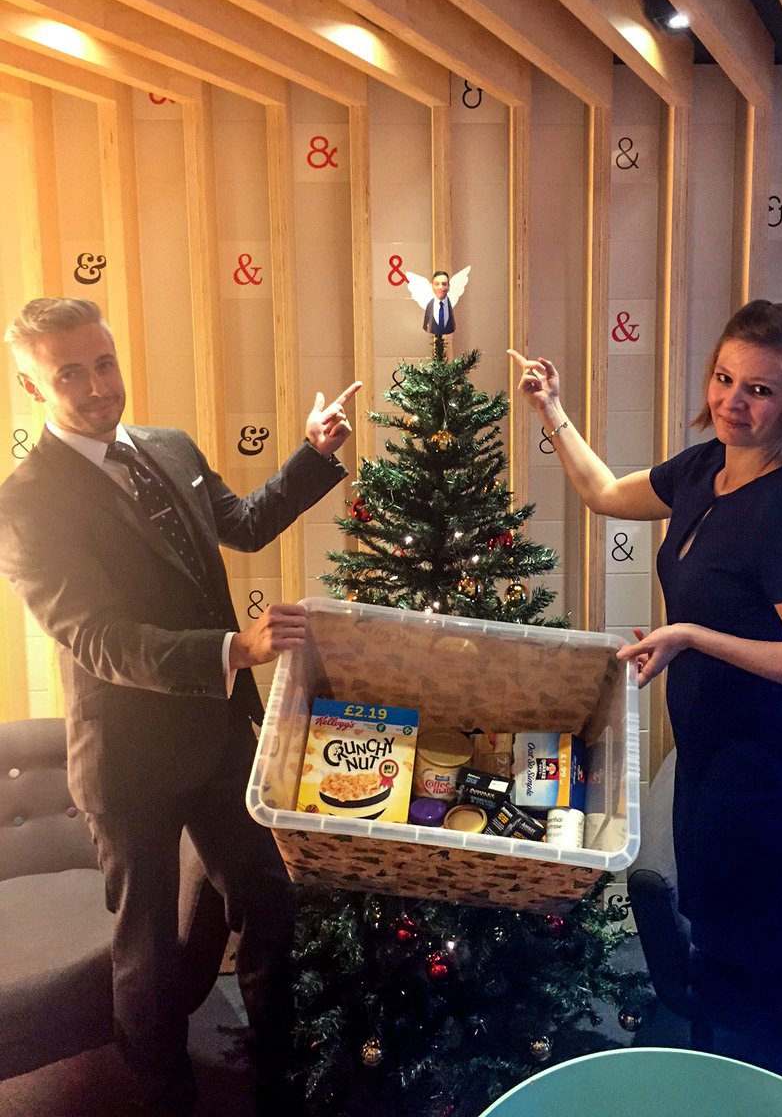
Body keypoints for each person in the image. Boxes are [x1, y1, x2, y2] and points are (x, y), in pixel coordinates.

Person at [0, 297, 362, 1117]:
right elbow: (99, 638)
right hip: (128, 762)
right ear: (32, 385)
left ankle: (277, 1078)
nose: (97, 386)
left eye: (104, 362)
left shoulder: (166, 447)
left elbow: (241, 524)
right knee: (149, 955)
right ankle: (165, 1098)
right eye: (69, 373)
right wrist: (236, 650)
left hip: (218, 735)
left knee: (270, 898)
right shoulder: (25, 504)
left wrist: (313, 455)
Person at [510, 300, 782, 1093]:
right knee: (716, 956)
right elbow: (603, 493)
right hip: (706, 760)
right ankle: (727, 1088)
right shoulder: (705, 470)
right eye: (725, 378)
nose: (735, 401)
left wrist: (693, 635)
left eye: (761, 390)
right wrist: (551, 409)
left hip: (766, 778)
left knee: (773, 983)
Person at [422, 269, 456, 335]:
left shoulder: (452, 306)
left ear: (448, 286)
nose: (441, 287)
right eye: (437, 284)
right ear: (432, 286)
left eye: (444, 284)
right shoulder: (429, 306)